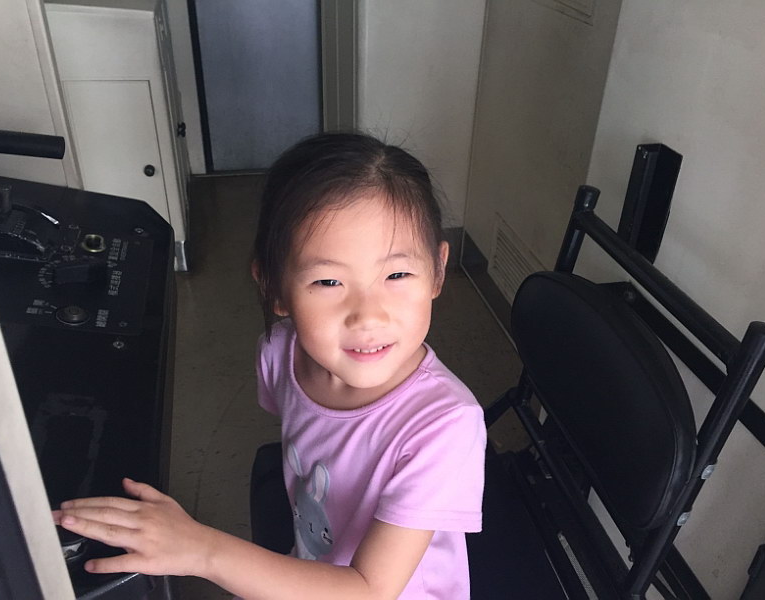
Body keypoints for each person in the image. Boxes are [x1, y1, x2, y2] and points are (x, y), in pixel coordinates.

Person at [53, 132, 486, 599]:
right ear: (274, 288)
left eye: (397, 274)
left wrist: (202, 550)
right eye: (328, 281)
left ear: (438, 271)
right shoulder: (282, 353)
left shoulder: (445, 425)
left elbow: (369, 590)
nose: (368, 316)